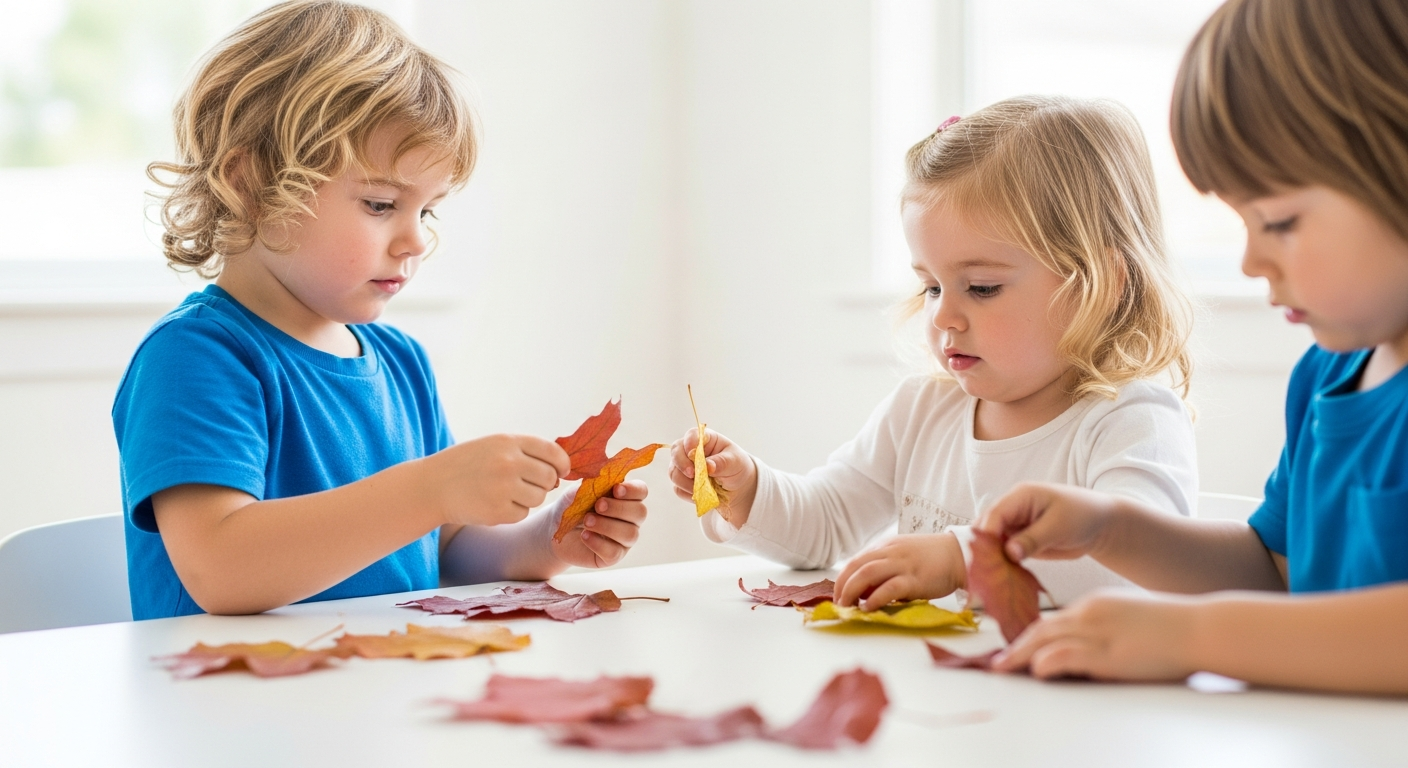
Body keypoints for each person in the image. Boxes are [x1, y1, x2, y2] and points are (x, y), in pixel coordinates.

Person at [113, 1, 647, 619]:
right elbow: (221, 568)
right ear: (253, 183)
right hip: (227, 704)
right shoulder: (197, 357)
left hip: (377, 695)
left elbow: (438, 551)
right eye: (379, 203)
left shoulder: (401, 363)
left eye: (428, 210)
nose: (416, 239)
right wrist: (430, 490)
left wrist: (547, 539)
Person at [979, 0, 1408, 695]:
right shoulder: (1326, 377)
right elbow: (1275, 572)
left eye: (1278, 220)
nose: (1250, 261)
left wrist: (1193, 637)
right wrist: (1110, 528)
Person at [668, 96, 1197, 611]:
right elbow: (825, 523)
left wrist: (963, 559)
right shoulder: (922, 411)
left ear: (1096, 286)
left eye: (982, 287)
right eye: (932, 287)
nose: (944, 317)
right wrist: (749, 492)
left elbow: (1136, 563)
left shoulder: (1129, 420)